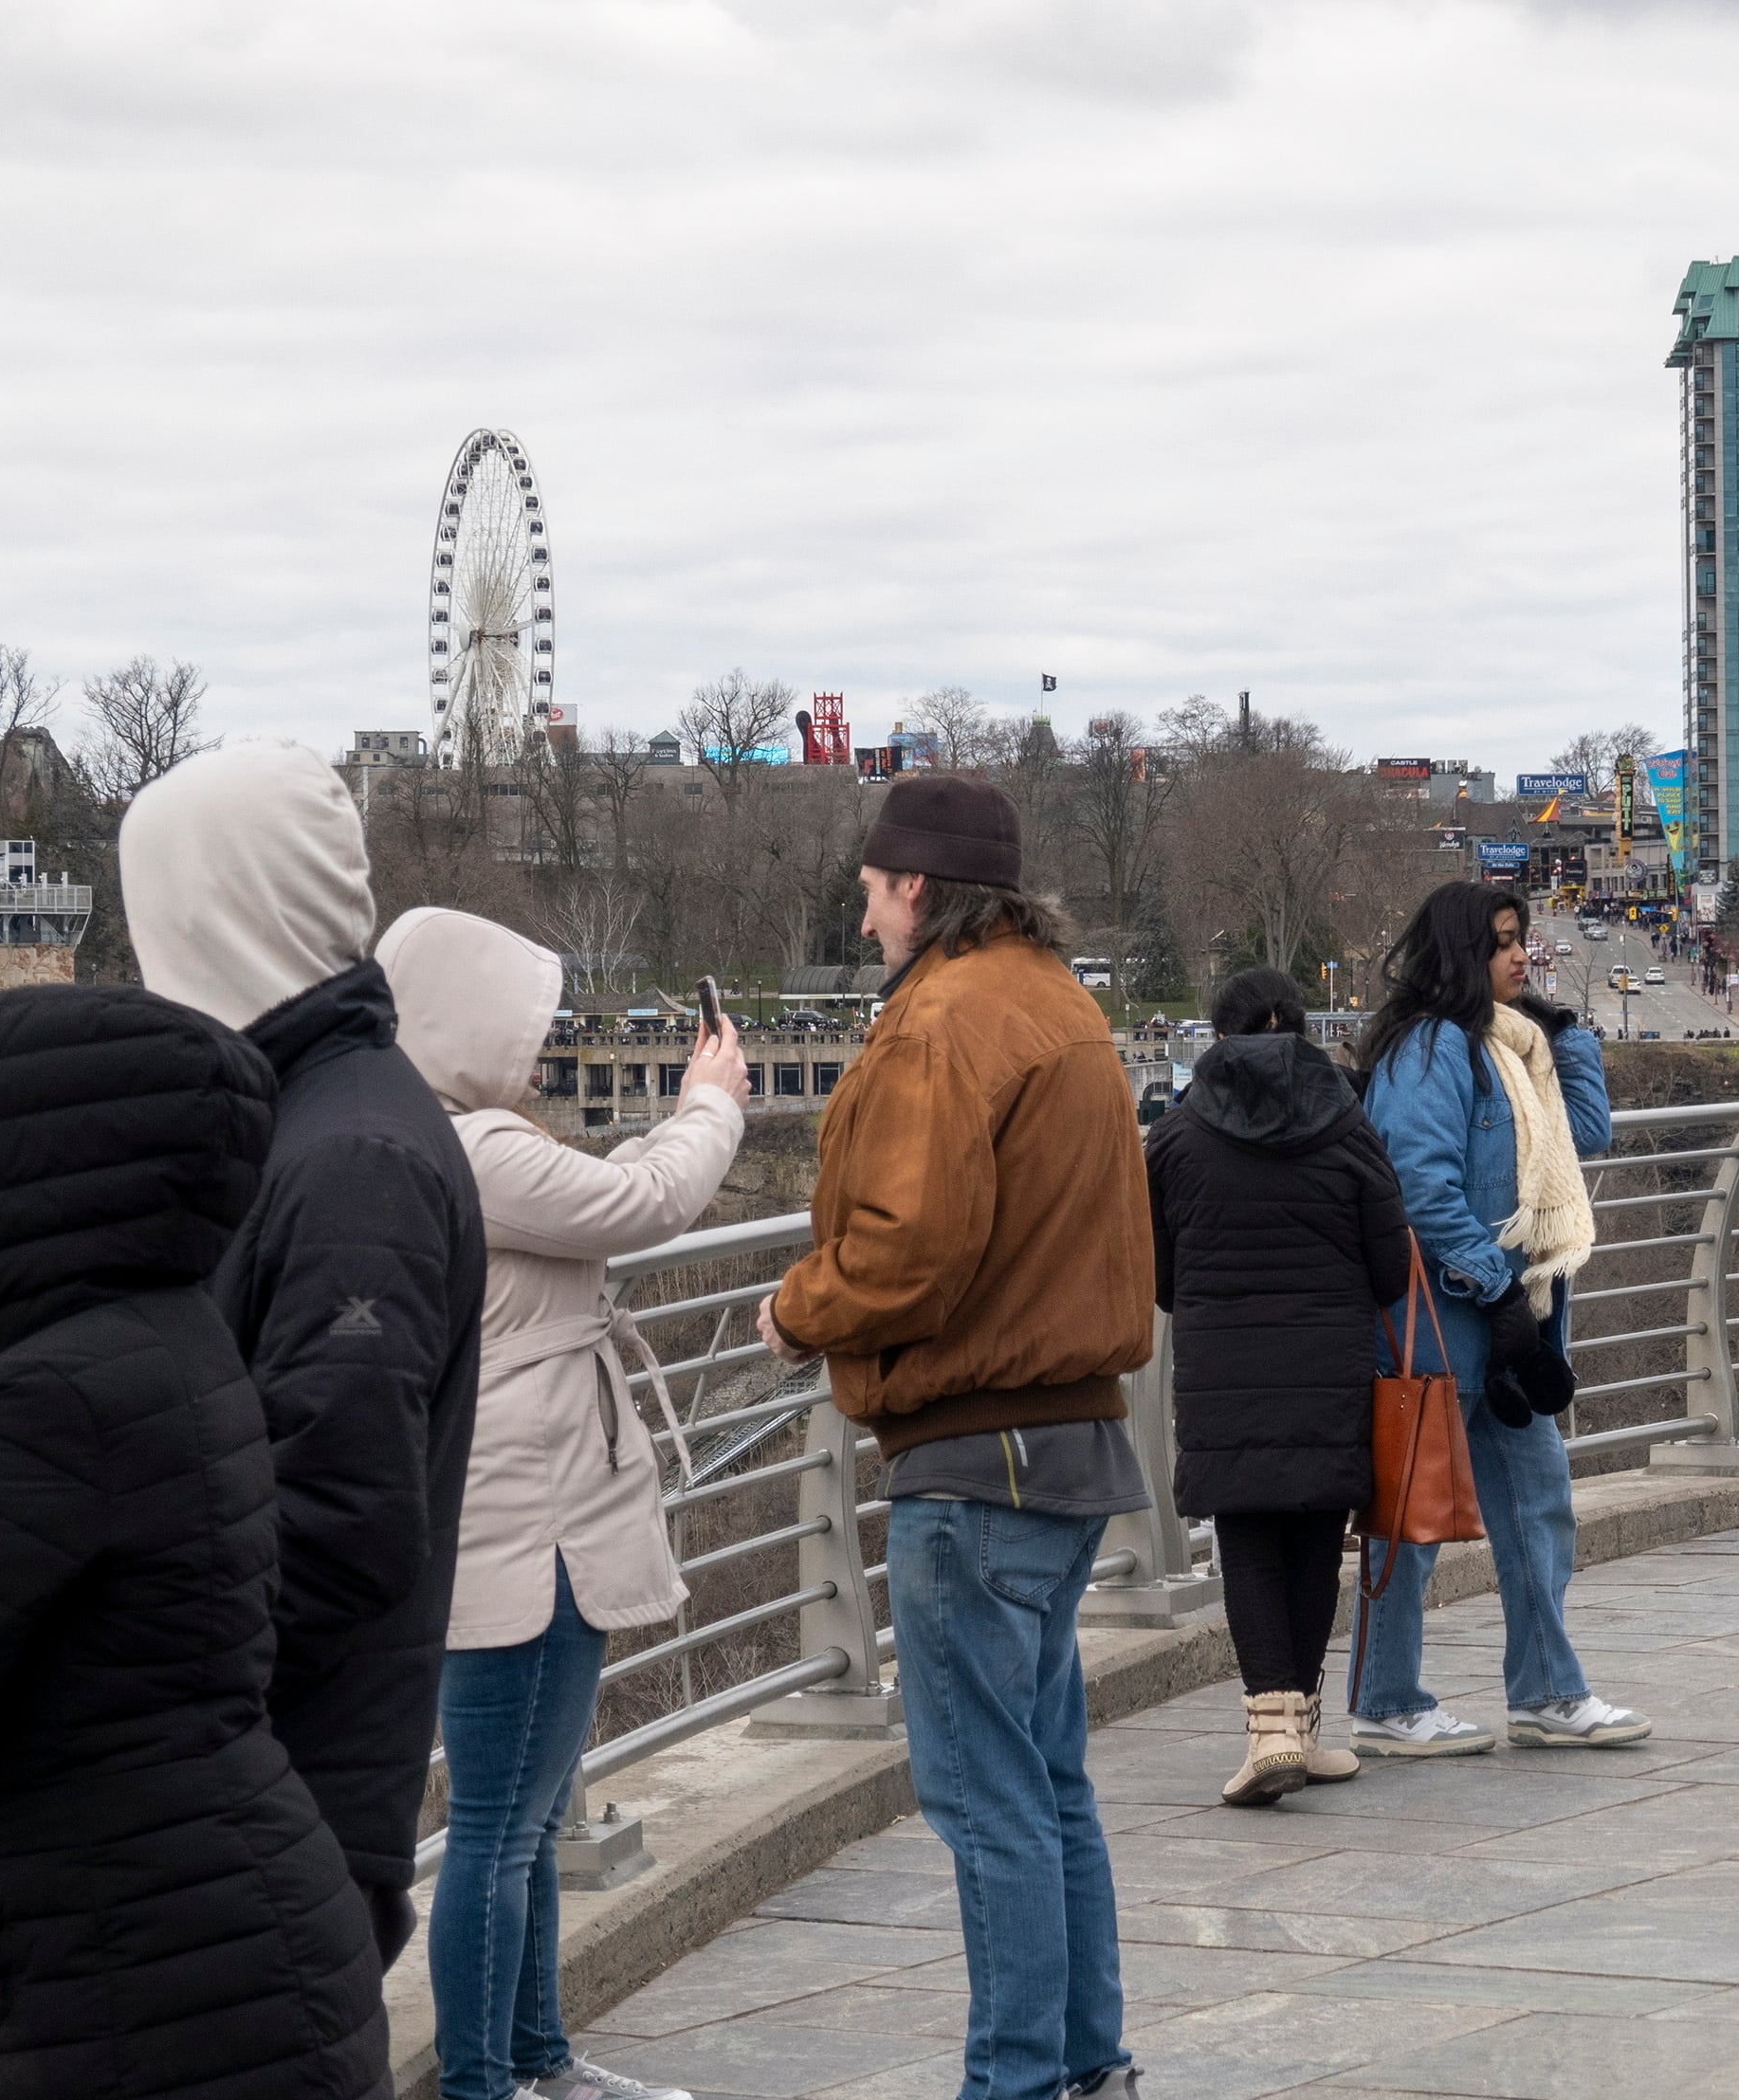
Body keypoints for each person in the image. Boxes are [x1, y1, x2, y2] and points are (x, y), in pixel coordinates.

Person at [756, 776, 1155, 2100]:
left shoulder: (945, 1020)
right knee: (1048, 1786)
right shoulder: (1062, 1003)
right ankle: (1089, 2065)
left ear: (916, 887)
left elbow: (904, 1250)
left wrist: (794, 1310)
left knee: (985, 1800)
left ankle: (1017, 2082)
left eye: (871, 891)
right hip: (1072, 1445)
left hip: (976, 1459)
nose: (864, 916)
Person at [0, 984, 389, 2100]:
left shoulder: (60, 1398)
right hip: (209, 1957)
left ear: (21, 1160)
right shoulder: (163, 1335)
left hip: (162, 1990)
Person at [118, 740, 486, 1970]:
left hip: (269, 1815)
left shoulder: (349, 1164)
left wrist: (101, 1655)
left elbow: (336, 1520)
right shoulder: (320, 1118)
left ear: (219, 917)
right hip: (265, 1800)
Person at [381, 909, 749, 2100]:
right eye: (526, 1025)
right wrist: (713, 1105)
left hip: (512, 1520)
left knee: (525, 1820)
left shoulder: (431, 1133)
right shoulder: (474, 1149)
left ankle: (534, 2066)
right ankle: (488, 2083)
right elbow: (640, 1207)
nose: (542, 1050)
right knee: (498, 1829)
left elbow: (598, 1188)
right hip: (526, 1530)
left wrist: (677, 1126)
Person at [1348, 880, 1647, 1755]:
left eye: (1524, 939)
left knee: (1537, 1501)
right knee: (1414, 1511)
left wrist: (1566, 1031)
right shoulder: (1433, 1049)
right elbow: (1419, 1186)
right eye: (1505, 943)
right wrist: (1496, 1288)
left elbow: (1586, 1134)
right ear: (1462, 954)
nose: (1523, 956)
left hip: (1506, 1318)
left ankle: (1548, 1691)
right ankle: (1387, 1698)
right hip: (1438, 1317)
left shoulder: (1516, 1049)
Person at [1146, 964, 1409, 1804]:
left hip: (1225, 1370)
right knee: (1311, 1540)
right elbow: (1392, 1267)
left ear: (1218, 1039)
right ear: (1301, 1032)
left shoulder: (1178, 1140)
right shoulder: (1348, 1129)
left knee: (1249, 1539)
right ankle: (1300, 1726)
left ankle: (1273, 1730)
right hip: (1328, 1364)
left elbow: (1158, 1274)